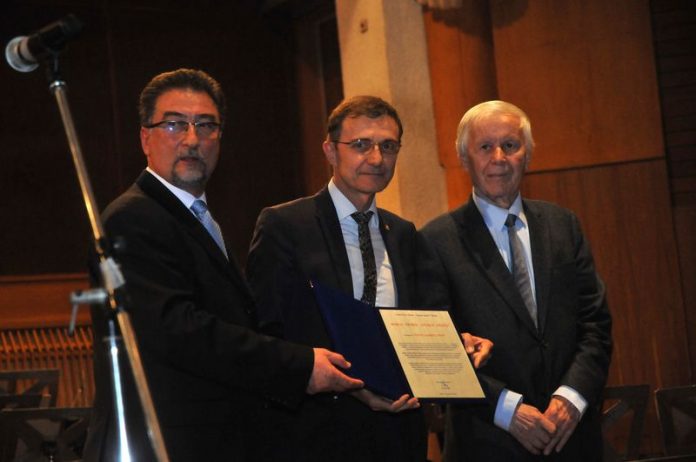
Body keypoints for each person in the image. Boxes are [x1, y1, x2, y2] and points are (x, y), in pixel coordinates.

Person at [84, 68, 363, 462]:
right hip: (161, 442)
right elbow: (180, 331)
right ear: (145, 137)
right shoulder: (131, 218)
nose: (192, 139)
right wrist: (299, 365)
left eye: (206, 125)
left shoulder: (197, 217)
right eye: (174, 124)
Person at [246, 95, 492, 462]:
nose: (376, 159)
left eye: (388, 146)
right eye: (361, 145)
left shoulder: (405, 234)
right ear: (331, 151)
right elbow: (267, 330)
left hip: (399, 431)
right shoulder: (286, 225)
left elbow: (424, 319)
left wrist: (459, 343)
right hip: (317, 432)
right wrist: (348, 385)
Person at [420, 100, 612, 461]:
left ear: (528, 155)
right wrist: (507, 409)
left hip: (571, 438)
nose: (499, 158)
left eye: (510, 145)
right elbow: (438, 352)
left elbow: (595, 325)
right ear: (464, 158)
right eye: (485, 147)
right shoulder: (435, 241)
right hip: (487, 442)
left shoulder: (563, 226)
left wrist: (571, 397)